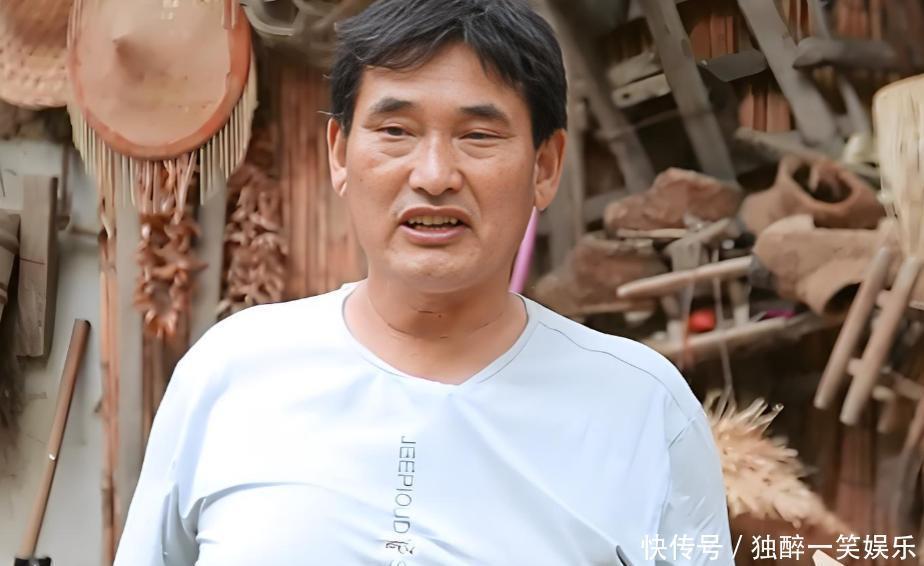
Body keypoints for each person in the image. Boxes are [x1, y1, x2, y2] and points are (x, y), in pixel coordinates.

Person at [114, 0, 733, 564]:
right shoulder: (229, 374)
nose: (434, 176)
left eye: (478, 135)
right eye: (396, 131)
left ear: (544, 166)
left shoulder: (643, 410)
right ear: (340, 153)